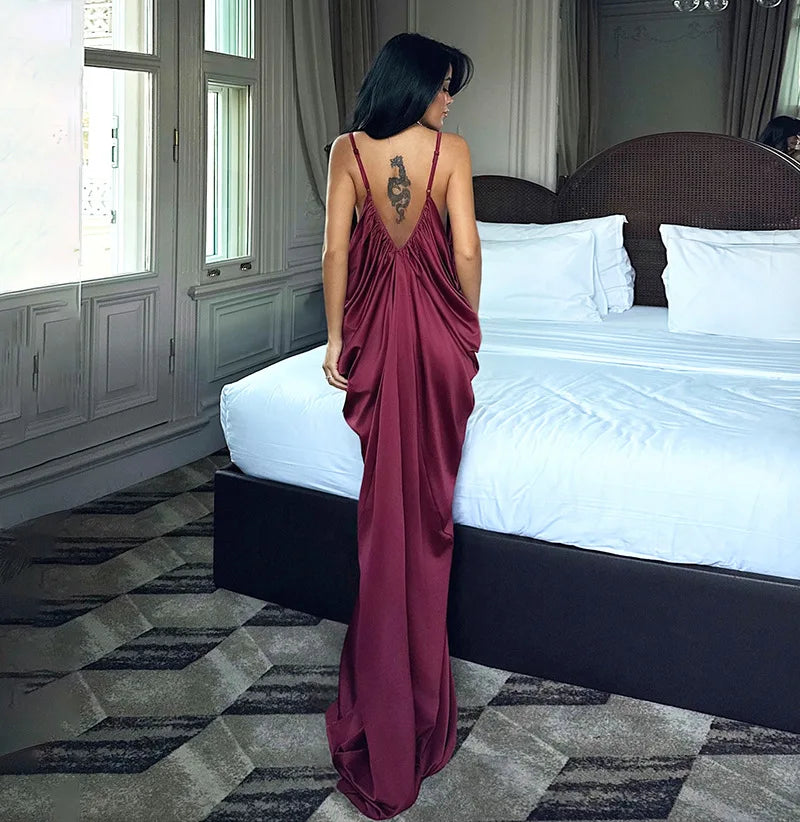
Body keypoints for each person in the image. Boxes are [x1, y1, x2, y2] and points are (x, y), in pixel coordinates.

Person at [320, 32, 482, 820]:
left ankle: (384, 677)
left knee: (384, 509)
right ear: (415, 83)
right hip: (433, 340)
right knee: (426, 511)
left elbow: (333, 255)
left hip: (379, 339)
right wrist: (465, 327)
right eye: (444, 86)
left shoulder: (347, 151)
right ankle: (416, 688)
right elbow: (467, 251)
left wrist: (331, 338)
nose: (448, 100)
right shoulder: (449, 152)